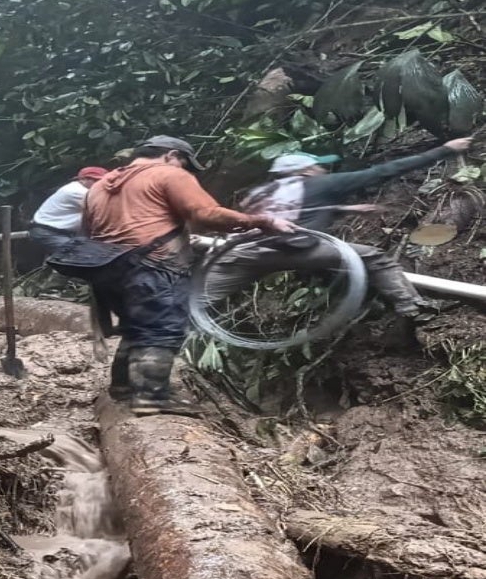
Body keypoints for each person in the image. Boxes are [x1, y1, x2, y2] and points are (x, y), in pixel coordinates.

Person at [78, 136, 294, 415]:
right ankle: (150, 398)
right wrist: (262, 221)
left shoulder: (100, 185)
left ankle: (122, 387)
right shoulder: (169, 174)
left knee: (135, 326)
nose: (185, 170)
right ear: (171, 155)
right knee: (160, 329)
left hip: (106, 268)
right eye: (184, 163)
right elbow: (205, 214)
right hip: (152, 266)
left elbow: (87, 231)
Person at [201, 138, 472, 323]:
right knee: (374, 258)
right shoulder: (322, 184)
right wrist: (445, 149)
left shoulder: (261, 192)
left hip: (246, 252)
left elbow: (288, 212)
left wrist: (342, 209)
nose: (322, 169)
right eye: (318, 166)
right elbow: (384, 171)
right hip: (297, 250)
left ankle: (179, 330)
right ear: (306, 170)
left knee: (199, 299)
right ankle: (412, 306)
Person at [29, 166, 108, 253]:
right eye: (96, 180)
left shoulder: (79, 188)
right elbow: (104, 209)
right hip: (49, 232)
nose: (100, 184)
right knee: (81, 254)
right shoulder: (77, 191)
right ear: (83, 179)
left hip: (63, 232)